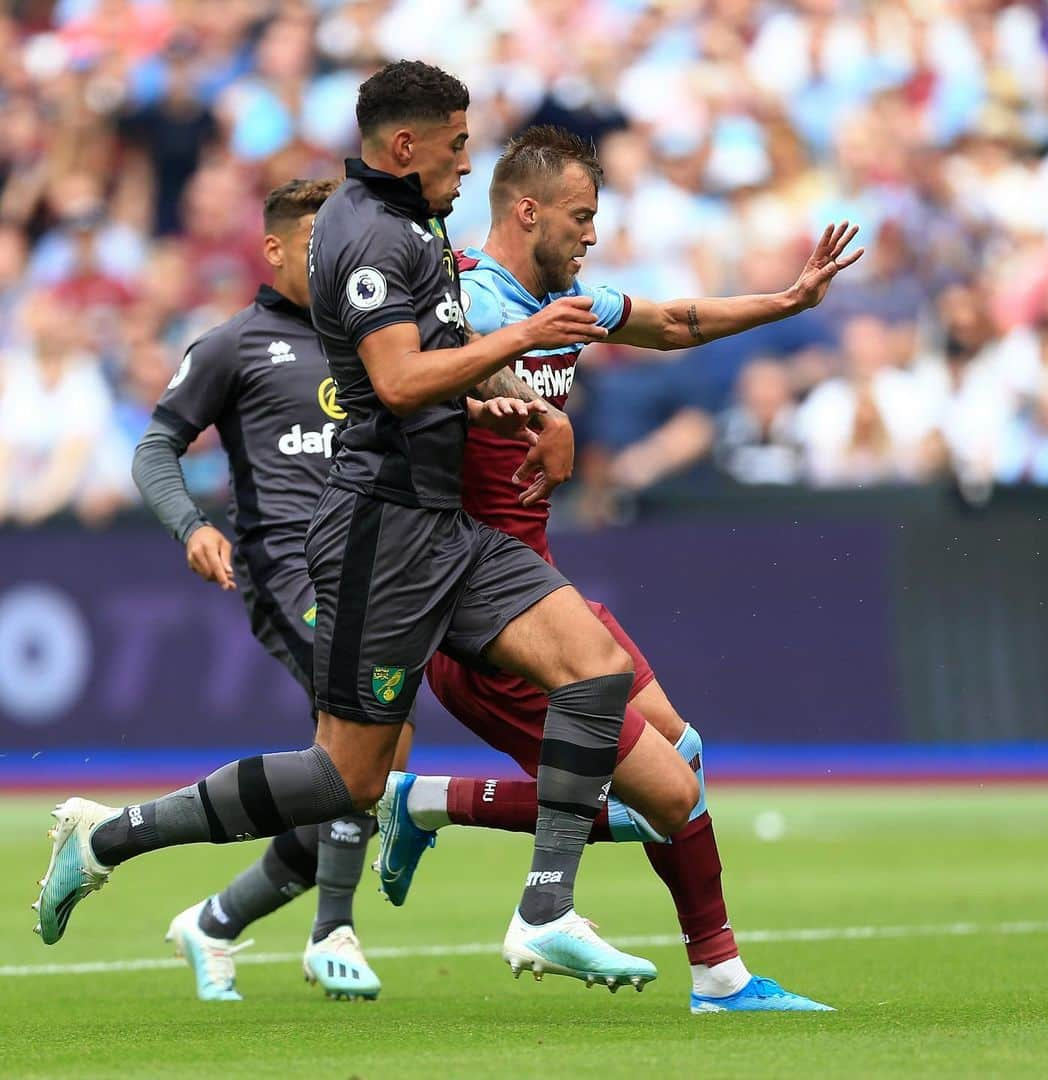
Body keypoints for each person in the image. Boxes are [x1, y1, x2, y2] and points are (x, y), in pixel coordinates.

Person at [35, 61, 694, 995]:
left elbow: (443, 362)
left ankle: (545, 909)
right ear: (405, 146)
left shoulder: (412, 221)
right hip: (378, 537)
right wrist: (522, 339)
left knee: (596, 666)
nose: (470, 165)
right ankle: (108, 837)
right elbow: (395, 381)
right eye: (459, 145)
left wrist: (520, 404)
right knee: (345, 781)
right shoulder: (372, 234)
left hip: (443, 526)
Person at [375, 124, 861, 1013]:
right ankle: (715, 975)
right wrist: (525, 409)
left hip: (543, 594)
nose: (593, 234)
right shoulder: (467, 309)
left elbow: (675, 322)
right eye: (581, 217)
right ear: (528, 212)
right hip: (489, 627)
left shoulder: (566, 304)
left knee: (685, 757)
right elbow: (427, 387)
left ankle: (437, 805)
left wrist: (788, 303)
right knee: (664, 798)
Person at [124, 178, 408, 1003]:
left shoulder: (374, 339)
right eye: (320, 243)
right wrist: (192, 526)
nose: (337, 259)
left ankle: (215, 921)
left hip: (380, 569)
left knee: (352, 769)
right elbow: (155, 449)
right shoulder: (232, 345)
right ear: (276, 248)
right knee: (375, 725)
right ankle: (333, 930)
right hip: (289, 571)